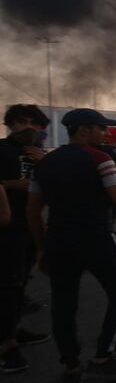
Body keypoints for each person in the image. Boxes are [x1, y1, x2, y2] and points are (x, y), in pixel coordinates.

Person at [27, 109, 116, 382]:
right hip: (96, 238)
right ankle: (103, 356)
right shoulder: (101, 158)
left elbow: (33, 211)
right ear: (84, 130)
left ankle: (71, 364)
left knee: (63, 303)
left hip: (58, 241)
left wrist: (41, 249)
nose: (105, 133)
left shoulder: (44, 164)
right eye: (100, 128)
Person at [0, 105, 51, 374]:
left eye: (35, 123)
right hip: (5, 227)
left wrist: (44, 163)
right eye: (21, 122)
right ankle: (6, 346)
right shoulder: (2, 150)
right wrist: (10, 184)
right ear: (10, 124)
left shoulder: (38, 155)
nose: (28, 127)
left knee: (20, 283)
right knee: (7, 284)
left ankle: (14, 329)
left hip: (29, 226)